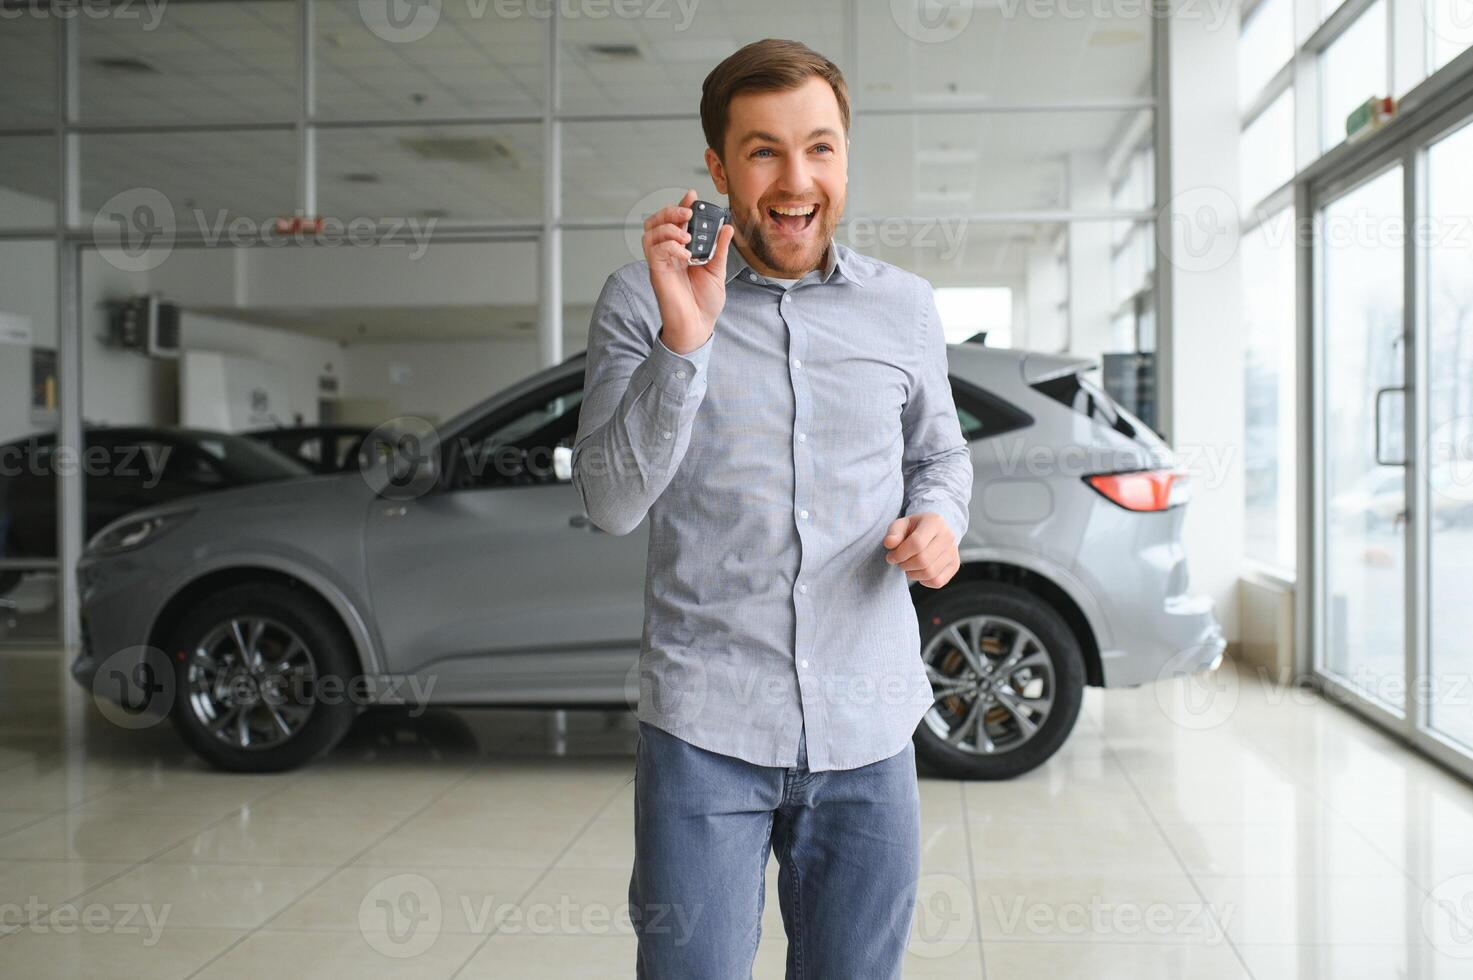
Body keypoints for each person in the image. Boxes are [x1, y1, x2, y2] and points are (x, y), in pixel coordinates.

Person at [571, 37, 974, 980]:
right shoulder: (641, 300)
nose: (796, 180)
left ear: (844, 155)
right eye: (762, 151)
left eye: (820, 147)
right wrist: (685, 340)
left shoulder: (904, 308)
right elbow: (611, 503)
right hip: (706, 732)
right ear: (716, 167)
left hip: (868, 730)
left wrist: (942, 522)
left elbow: (940, 454)